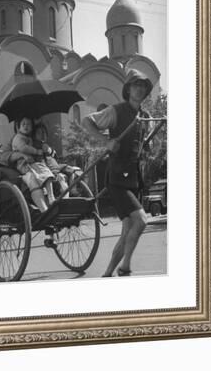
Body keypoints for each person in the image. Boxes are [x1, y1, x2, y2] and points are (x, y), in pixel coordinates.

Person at [82, 69, 152, 277]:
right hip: (116, 178)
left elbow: (142, 146)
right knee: (141, 221)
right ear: (128, 89)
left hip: (133, 179)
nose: (139, 89)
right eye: (135, 85)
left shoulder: (146, 117)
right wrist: (106, 141)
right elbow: (87, 121)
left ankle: (108, 272)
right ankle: (125, 266)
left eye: (143, 86)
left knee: (128, 230)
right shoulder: (116, 111)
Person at [11, 117, 55, 211]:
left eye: (29, 124)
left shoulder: (31, 138)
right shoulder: (18, 137)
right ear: (18, 127)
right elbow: (23, 148)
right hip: (24, 164)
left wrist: (47, 149)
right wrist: (36, 151)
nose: (26, 126)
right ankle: (44, 209)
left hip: (35, 163)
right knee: (34, 179)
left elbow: (47, 150)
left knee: (46, 172)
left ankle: (52, 198)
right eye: (23, 124)